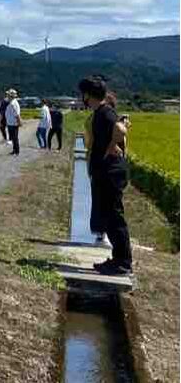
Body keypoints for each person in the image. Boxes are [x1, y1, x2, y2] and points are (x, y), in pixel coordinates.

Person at [79, 76, 132, 275]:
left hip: (110, 173)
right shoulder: (101, 112)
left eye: (83, 94)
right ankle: (119, 259)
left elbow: (120, 128)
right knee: (110, 216)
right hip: (106, 172)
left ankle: (123, 262)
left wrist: (111, 146)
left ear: (88, 95)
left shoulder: (104, 113)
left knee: (114, 217)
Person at [4, 88, 21, 155]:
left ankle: (16, 151)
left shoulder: (14, 103)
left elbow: (17, 114)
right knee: (13, 137)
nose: (7, 96)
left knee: (15, 137)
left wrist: (19, 121)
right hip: (10, 123)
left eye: (8, 95)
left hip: (13, 123)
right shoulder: (11, 102)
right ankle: (14, 150)